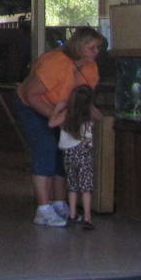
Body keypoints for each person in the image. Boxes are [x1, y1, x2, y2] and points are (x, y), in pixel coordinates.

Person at [13, 26, 105, 227]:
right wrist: (58, 119)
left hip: (60, 109)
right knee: (45, 148)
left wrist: (96, 117)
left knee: (64, 151)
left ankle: (59, 203)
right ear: (80, 46)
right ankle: (43, 209)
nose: (96, 52)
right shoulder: (55, 63)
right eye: (92, 48)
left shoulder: (90, 68)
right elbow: (31, 95)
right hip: (32, 106)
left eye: (98, 48)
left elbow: (83, 98)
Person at [51, 84, 98, 229]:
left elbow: (51, 123)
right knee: (86, 187)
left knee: (72, 185)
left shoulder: (66, 114)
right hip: (84, 151)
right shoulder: (89, 115)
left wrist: (57, 109)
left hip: (69, 153)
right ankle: (87, 217)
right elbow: (101, 117)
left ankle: (72, 214)